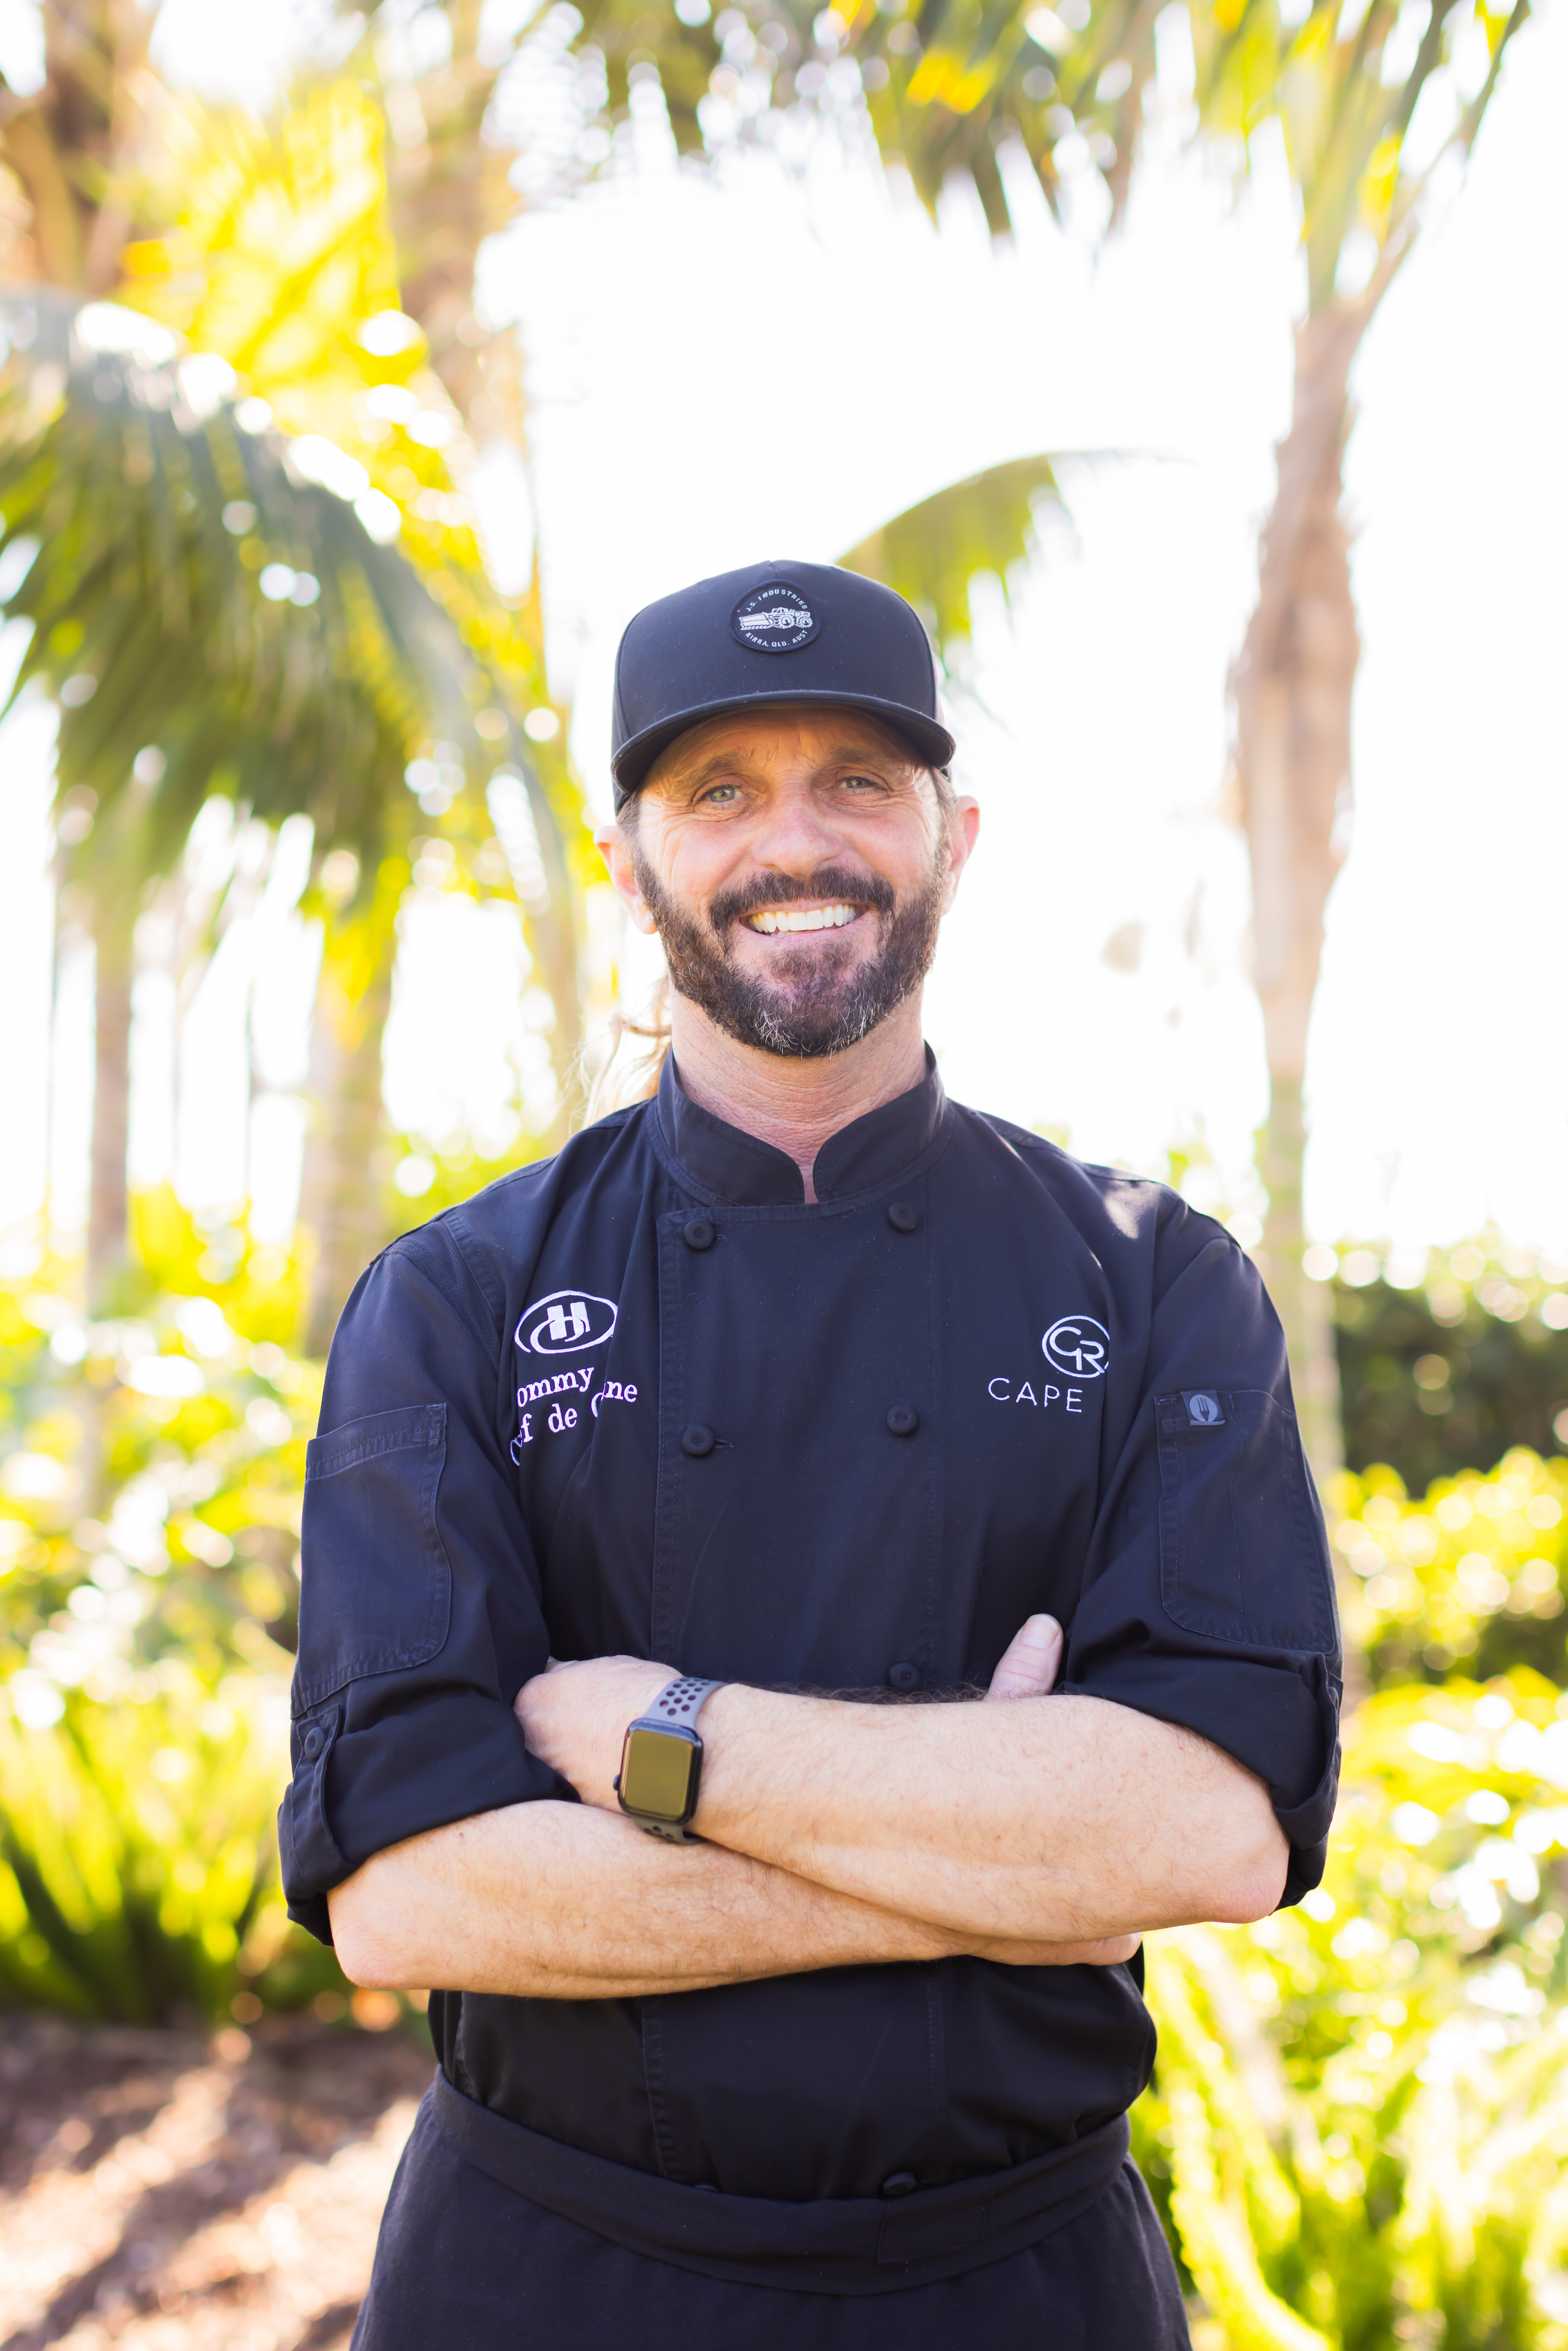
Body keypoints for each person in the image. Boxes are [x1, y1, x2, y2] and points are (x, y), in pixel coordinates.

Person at [279, 558, 1341, 2350]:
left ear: (953, 832)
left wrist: (662, 1739)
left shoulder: (1152, 1275)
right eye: (719, 790)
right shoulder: (459, 1295)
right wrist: (994, 1869)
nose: (797, 841)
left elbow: (1211, 1831)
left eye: (855, 778)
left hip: (1016, 2284)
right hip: (549, 2277)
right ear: (629, 852)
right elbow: (409, 1891)